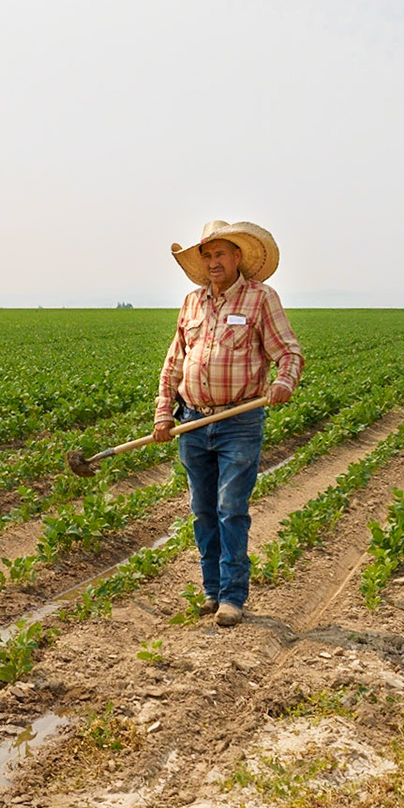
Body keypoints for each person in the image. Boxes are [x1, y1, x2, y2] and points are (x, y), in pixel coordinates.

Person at [151, 220, 303, 628]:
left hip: (239, 419)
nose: (214, 262)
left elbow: (288, 352)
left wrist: (284, 382)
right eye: (207, 255)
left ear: (238, 257)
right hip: (192, 421)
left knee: (230, 508)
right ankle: (213, 591)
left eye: (220, 254)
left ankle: (233, 597)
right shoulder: (192, 303)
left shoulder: (260, 299)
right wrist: (165, 412)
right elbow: (174, 363)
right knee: (202, 510)